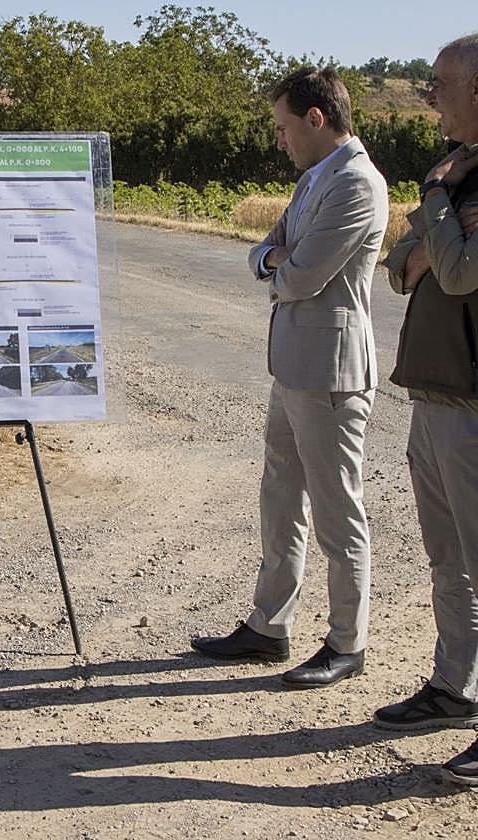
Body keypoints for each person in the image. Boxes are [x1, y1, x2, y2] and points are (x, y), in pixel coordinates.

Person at [191, 66, 389, 688]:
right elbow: (268, 252)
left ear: (315, 119)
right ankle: (269, 627)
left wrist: (274, 261)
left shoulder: (357, 184)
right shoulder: (314, 180)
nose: (279, 141)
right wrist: (275, 259)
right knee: (281, 497)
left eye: (283, 128)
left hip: (330, 373)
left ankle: (346, 642)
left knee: (336, 510)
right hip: (294, 366)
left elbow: (299, 277)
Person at [372, 33, 478, 786]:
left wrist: (435, 206)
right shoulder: (457, 176)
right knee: (448, 562)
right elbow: (399, 271)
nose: (428, 95)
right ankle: (453, 688)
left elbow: (460, 274)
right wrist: (439, 231)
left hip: (473, 405)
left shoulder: (450, 180)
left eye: (439, 83)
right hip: (433, 396)